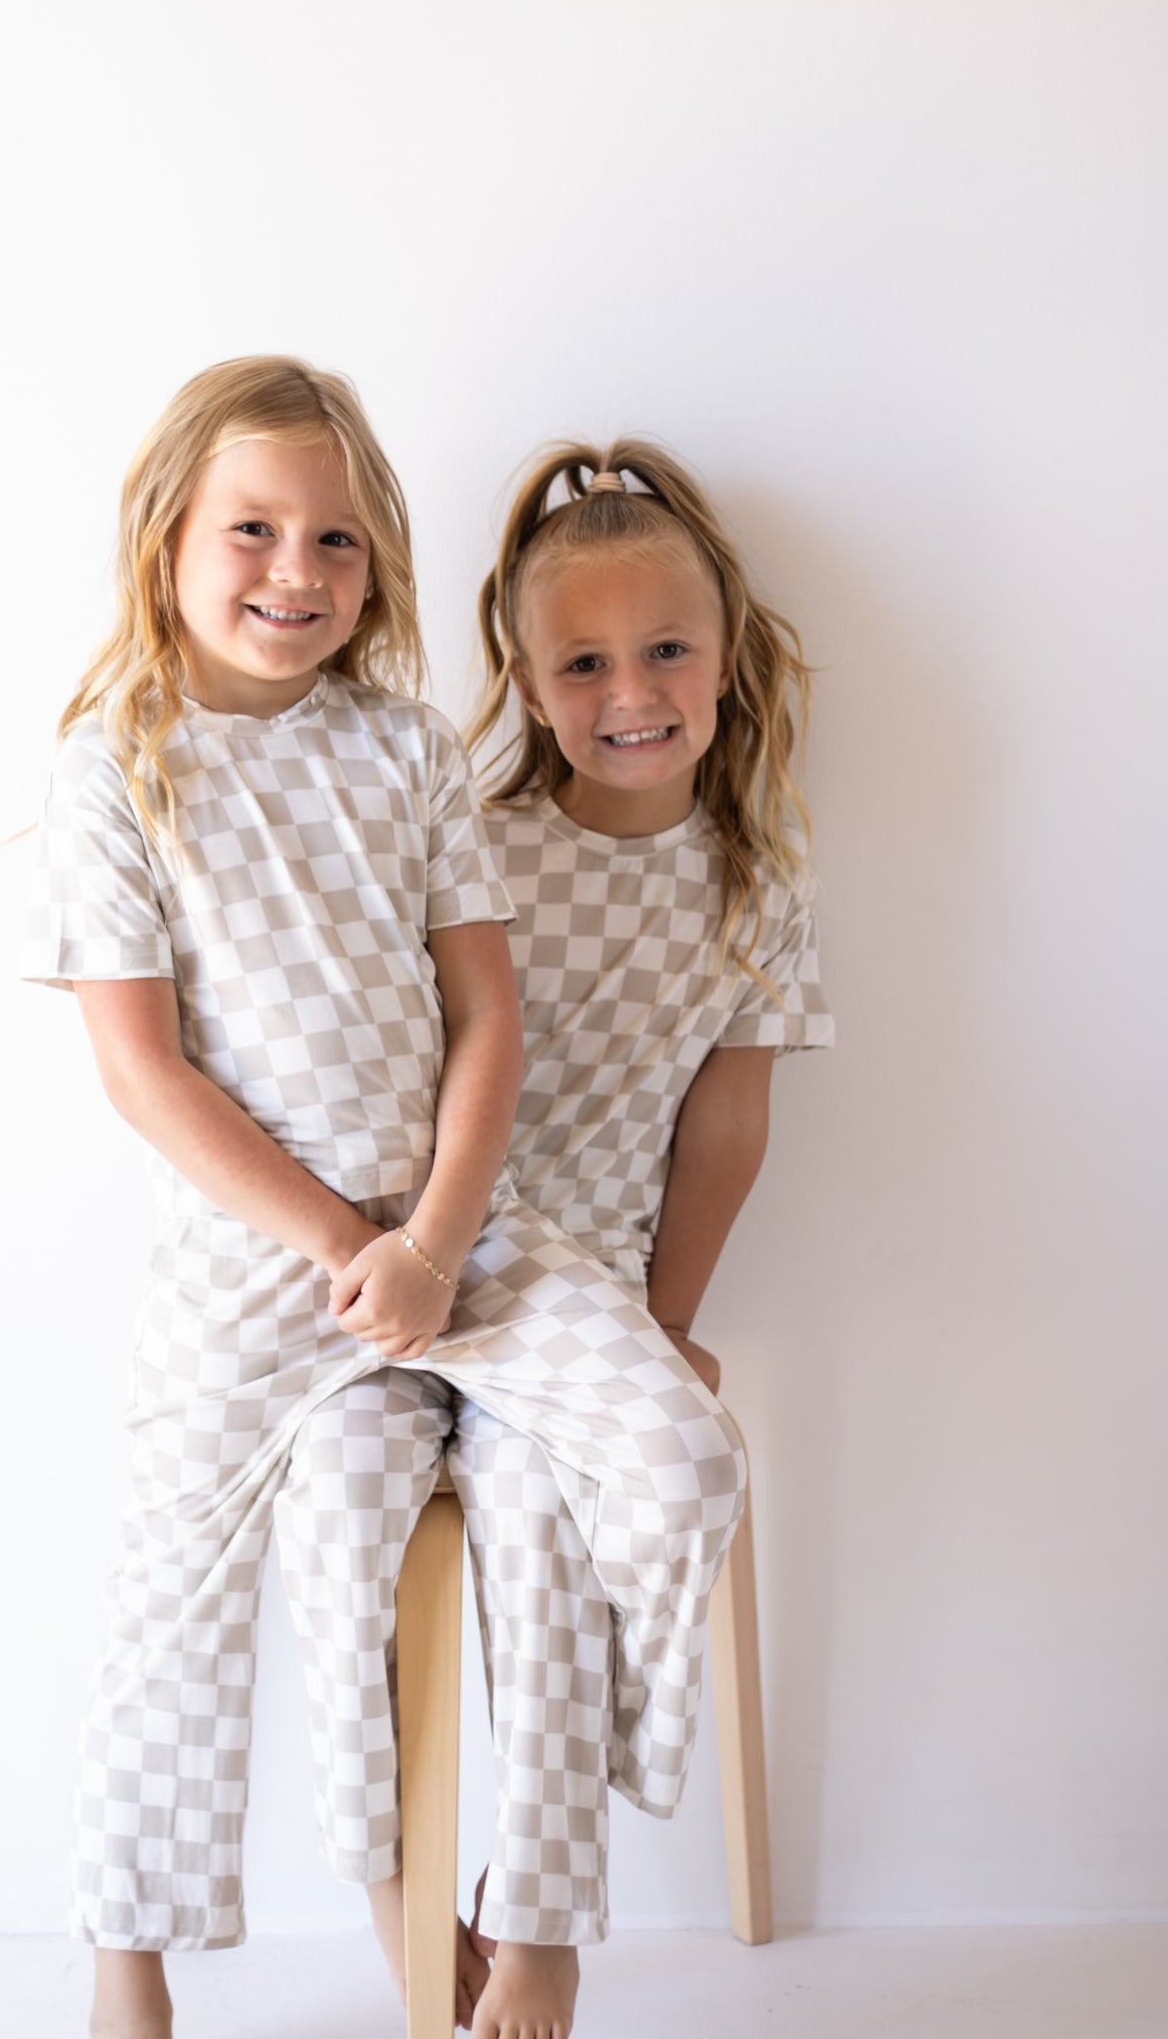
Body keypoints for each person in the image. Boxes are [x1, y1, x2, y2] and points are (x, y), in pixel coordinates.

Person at [23, 359, 746, 2039]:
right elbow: (145, 1076)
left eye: (338, 539)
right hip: (254, 1272)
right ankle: (139, 1970)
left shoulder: (409, 752)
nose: (299, 571)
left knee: (677, 1450)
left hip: (465, 1236)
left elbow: (488, 1016)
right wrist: (346, 1249)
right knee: (175, 1603)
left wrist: (426, 1242)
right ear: (168, 545)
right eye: (256, 531)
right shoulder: (110, 772)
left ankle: (538, 1873)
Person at [450, 438, 835, 2013]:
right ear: (530, 683)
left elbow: (723, 1129)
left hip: (599, 1306)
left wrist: (667, 1317)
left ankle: (523, 1897)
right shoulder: (479, 848)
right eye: (586, 661)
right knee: (614, 1482)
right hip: (465, 1266)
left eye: (666, 648)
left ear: (726, 656)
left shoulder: (757, 880)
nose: (632, 691)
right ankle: (539, 1917)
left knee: (551, 1521)